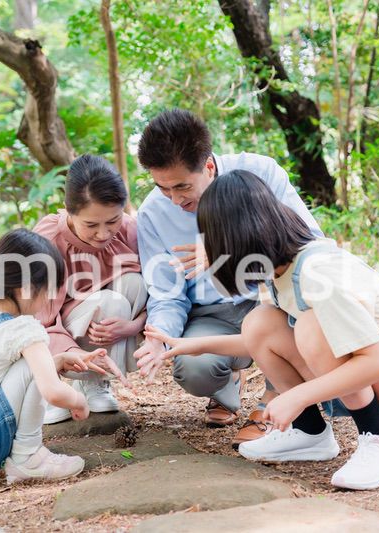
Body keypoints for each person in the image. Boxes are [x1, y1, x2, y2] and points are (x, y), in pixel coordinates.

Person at [141, 170, 379, 490]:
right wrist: (191, 345)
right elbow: (259, 340)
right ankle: (310, 433)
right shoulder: (279, 269)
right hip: (373, 372)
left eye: (211, 238)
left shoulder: (317, 271)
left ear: (236, 236)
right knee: (259, 322)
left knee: (310, 326)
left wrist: (297, 396)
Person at [133, 109, 321, 446]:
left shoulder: (260, 173)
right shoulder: (152, 213)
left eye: (182, 186)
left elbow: (310, 245)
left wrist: (227, 252)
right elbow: (167, 293)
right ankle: (227, 382)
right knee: (195, 370)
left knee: (299, 311)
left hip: (273, 300)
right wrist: (159, 337)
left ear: (208, 167)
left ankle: (274, 400)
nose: (175, 200)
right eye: (163, 188)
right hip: (212, 313)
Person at [0, 229, 126, 483]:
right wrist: (79, 400)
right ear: (26, 290)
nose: (50, 300)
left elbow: (1, 376)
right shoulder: (24, 328)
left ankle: (24, 455)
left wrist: (55, 361)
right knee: (34, 363)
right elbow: (53, 393)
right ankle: (28, 458)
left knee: (34, 362)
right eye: (48, 291)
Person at [34, 154, 147, 424]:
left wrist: (133, 326)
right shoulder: (48, 239)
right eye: (91, 225)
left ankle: (95, 383)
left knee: (136, 282)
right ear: (69, 210)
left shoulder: (129, 230)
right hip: (57, 336)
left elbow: (159, 294)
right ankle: (52, 387)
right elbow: (36, 317)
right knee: (111, 301)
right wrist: (69, 355)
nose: (104, 234)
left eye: (112, 221)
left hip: (108, 329)